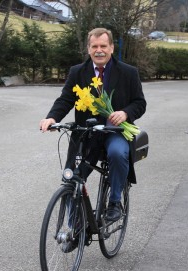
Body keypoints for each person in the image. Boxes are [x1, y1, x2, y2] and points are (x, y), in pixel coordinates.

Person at [40, 27, 146, 223]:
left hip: (115, 132)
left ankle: (114, 202)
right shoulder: (78, 72)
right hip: (87, 134)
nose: (99, 50)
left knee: (116, 153)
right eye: (94, 46)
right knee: (72, 177)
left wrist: (125, 113)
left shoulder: (128, 73)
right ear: (88, 49)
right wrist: (52, 118)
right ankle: (73, 228)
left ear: (111, 48)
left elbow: (140, 103)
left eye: (103, 46)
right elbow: (65, 99)